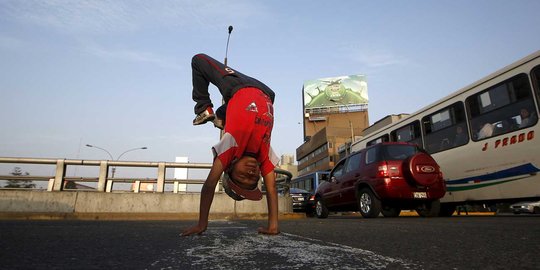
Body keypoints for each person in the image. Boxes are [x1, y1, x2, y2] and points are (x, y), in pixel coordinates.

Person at [182, 53, 280, 236]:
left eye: (242, 177)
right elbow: (272, 189)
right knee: (228, 111)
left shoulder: (231, 147)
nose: (250, 173)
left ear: (229, 168)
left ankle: (204, 109)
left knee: (198, 60)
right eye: (253, 179)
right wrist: (273, 226)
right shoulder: (264, 154)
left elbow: (210, 184)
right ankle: (220, 117)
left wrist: (202, 223)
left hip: (238, 87)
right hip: (266, 93)